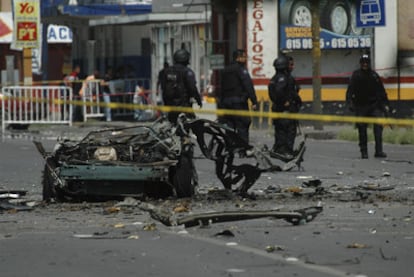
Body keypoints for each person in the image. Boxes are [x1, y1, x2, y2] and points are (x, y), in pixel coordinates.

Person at [346, 54, 390, 159]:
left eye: (367, 63)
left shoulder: (374, 75)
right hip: (361, 106)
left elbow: (381, 91)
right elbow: (350, 91)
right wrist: (350, 103)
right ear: (361, 64)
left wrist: (386, 105)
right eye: (363, 62)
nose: (365, 64)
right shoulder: (356, 75)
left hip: (374, 106)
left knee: (378, 128)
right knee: (362, 130)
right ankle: (364, 152)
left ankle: (379, 151)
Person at [219, 49, 258, 145]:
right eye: (244, 57)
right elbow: (248, 85)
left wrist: (221, 103)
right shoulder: (241, 69)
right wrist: (254, 101)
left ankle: (230, 146)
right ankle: (243, 147)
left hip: (226, 102)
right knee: (243, 124)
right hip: (238, 102)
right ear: (239, 58)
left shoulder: (225, 70)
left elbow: (221, 87)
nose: (245, 59)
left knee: (230, 125)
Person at [268, 54, 302, 159]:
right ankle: (286, 151)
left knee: (280, 130)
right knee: (289, 131)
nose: (292, 67)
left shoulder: (274, 78)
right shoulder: (284, 78)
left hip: (278, 109)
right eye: (290, 65)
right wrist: (286, 101)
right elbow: (281, 92)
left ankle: (278, 149)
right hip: (286, 110)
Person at [161, 49, 202, 124]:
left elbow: (163, 87)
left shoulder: (166, 71)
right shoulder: (187, 71)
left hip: (171, 105)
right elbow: (192, 87)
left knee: (172, 125)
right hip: (184, 105)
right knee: (196, 125)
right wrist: (198, 100)